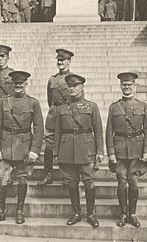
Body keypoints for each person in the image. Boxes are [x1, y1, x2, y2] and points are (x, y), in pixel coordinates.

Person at [0, 71, 44, 225]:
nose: (18, 86)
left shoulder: (33, 103)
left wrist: (34, 150)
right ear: (11, 84)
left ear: (26, 84)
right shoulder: (4, 102)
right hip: (5, 146)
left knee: (22, 178)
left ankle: (20, 210)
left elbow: (39, 129)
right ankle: (0, 211)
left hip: (24, 147)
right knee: (1, 179)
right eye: (15, 83)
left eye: (21, 83)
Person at [54, 74, 104, 227]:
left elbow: (98, 130)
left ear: (82, 87)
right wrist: (56, 152)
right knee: (72, 183)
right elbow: (57, 132)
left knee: (89, 183)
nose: (72, 88)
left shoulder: (92, 106)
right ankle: (76, 213)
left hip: (86, 149)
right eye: (70, 86)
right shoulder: (62, 108)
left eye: (75, 86)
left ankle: (90, 214)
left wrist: (100, 151)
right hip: (67, 149)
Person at [106, 72, 147, 228]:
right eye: (124, 85)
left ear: (134, 86)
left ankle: (133, 213)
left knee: (133, 181)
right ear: (120, 86)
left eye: (129, 85)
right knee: (121, 182)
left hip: (137, 150)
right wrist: (111, 153)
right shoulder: (114, 107)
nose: (127, 87)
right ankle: (123, 213)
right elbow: (108, 132)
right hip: (119, 150)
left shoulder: (142, 106)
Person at [37, 49, 74, 186]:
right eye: (58, 60)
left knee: (66, 144)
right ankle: (48, 174)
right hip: (54, 114)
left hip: (67, 114)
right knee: (49, 146)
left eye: (63, 60)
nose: (60, 62)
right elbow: (49, 99)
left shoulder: (73, 79)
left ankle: (67, 176)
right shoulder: (52, 79)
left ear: (69, 61)